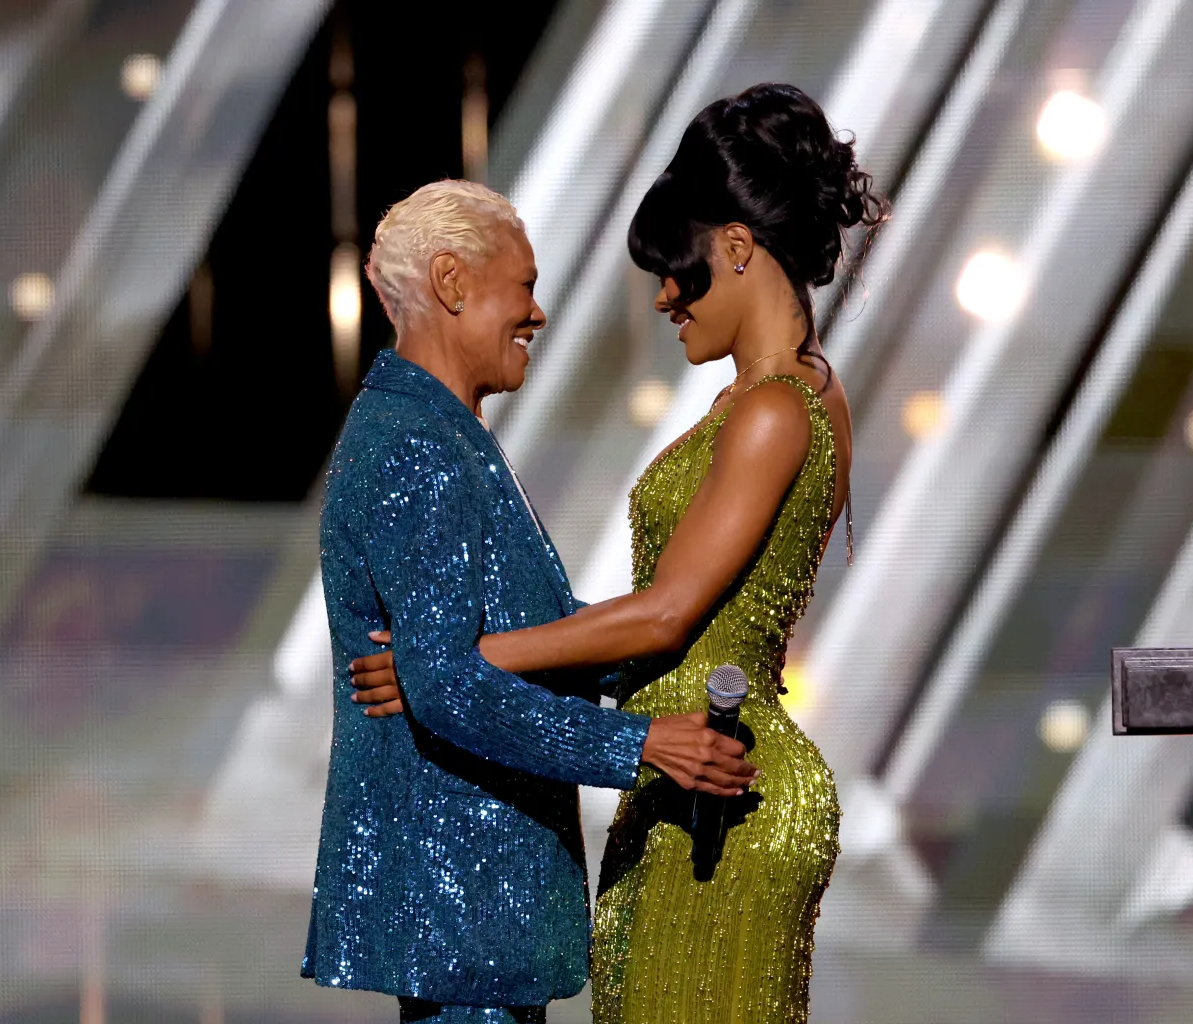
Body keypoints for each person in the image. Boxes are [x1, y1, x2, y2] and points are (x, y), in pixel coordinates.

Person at [352, 84, 886, 1023]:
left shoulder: (769, 412)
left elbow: (667, 613)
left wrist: (458, 665)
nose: (664, 297)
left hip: (713, 789)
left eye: (677, 270)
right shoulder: (809, 395)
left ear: (736, 245)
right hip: (696, 773)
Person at [302, 179, 757, 1024]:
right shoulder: (416, 448)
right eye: (525, 285)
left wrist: (696, 619)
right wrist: (647, 745)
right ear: (451, 283)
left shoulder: (438, 433)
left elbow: (501, 646)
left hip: (477, 926)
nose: (537, 314)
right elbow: (447, 689)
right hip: (465, 916)